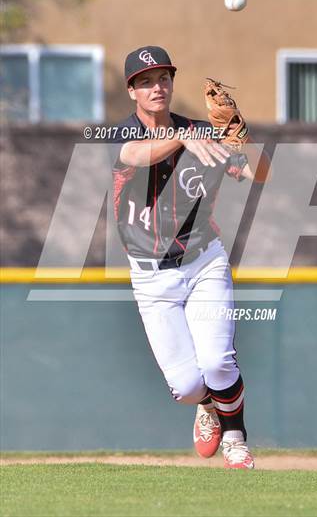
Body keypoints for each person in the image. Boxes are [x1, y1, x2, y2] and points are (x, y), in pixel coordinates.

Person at [113, 46, 270, 469]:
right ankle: (209, 406)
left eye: (163, 78)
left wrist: (240, 134)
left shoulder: (203, 132)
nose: (156, 86)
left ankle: (236, 438)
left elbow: (261, 173)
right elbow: (137, 156)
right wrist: (184, 137)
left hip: (203, 262)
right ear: (132, 91)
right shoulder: (123, 135)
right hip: (150, 277)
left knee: (218, 364)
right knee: (186, 386)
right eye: (145, 81)